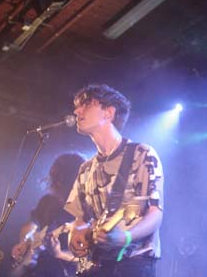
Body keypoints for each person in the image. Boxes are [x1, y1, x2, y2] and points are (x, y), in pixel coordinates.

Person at [64, 84, 164, 277]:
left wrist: (125, 237)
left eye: (85, 105)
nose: (77, 111)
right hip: (99, 264)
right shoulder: (85, 169)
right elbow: (80, 220)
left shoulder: (141, 153)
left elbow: (155, 214)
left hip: (134, 263)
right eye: (77, 107)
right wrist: (75, 235)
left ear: (108, 113)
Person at [10, 152, 85, 277]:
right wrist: (24, 242)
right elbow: (31, 225)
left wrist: (60, 254)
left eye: (59, 180)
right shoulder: (48, 201)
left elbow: (89, 256)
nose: (55, 185)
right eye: (54, 180)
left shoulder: (86, 210)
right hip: (39, 269)